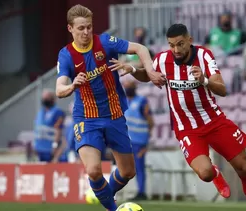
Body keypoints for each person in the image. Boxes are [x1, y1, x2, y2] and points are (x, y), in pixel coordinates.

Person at [109, 24, 246, 211]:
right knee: (205, 173)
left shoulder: (204, 56)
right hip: (187, 129)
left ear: (189, 41)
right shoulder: (163, 59)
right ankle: (215, 173)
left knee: (243, 168)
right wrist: (132, 69)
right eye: (171, 45)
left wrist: (204, 81)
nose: (176, 49)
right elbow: (148, 75)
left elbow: (222, 89)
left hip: (214, 121)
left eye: (180, 44)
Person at [55, 4, 166, 211]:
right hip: (86, 119)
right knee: (94, 170)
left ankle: (103, 194)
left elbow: (140, 48)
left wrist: (150, 71)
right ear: (70, 29)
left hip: (115, 116)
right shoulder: (67, 55)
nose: (86, 32)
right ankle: (112, 207)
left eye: (89, 27)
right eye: (81, 28)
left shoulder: (104, 42)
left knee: (127, 172)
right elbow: (59, 88)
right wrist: (72, 85)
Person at [123, 80, 154, 200]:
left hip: (139, 141)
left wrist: (146, 141)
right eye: (126, 86)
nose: (128, 89)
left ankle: (142, 192)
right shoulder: (124, 101)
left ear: (135, 88)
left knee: (139, 167)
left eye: (130, 86)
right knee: (128, 168)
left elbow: (150, 121)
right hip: (127, 141)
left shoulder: (141, 101)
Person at [34, 89, 67, 163]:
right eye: (43, 98)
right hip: (39, 149)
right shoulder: (40, 112)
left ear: (53, 99)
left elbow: (59, 131)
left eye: (47, 97)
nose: (45, 99)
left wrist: (55, 146)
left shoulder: (57, 112)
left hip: (51, 150)